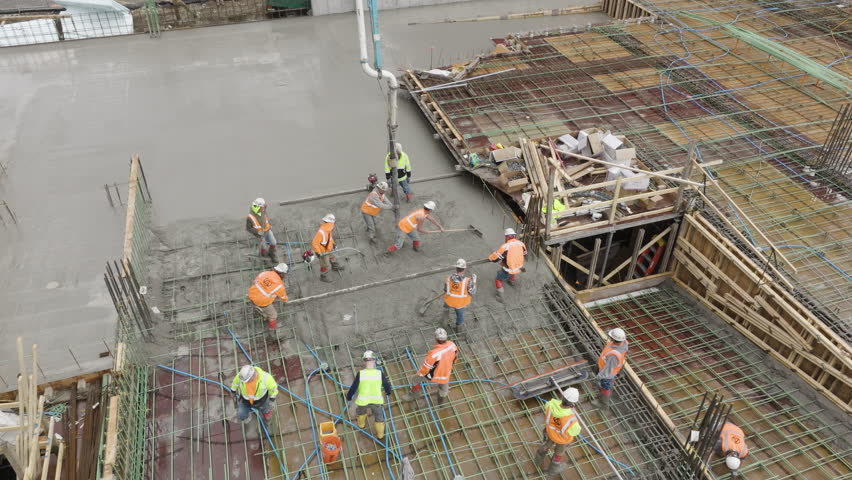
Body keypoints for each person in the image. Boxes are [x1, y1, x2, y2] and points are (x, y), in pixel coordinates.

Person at [403, 328, 458, 406]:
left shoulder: (434, 354)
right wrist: (451, 366)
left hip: (434, 375)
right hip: (446, 374)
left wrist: (420, 374)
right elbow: (456, 357)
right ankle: (441, 402)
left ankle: (415, 394)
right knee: (443, 388)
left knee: (415, 380)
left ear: (436, 338)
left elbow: (426, 368)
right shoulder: (452, 345)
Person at [345, 350, 393, 439]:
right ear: (374, 361)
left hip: (363, 401)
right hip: (376, 401)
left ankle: (361, 425)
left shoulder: (361, 374)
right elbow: (387, 385)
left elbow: (353, 387)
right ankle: (380, 434)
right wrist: (388, 391)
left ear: (364, 361)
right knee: (379, 417)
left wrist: (349, 396)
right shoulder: (379, 374)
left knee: (361, 412)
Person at [534, 387, 581, 475]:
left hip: (550, 433)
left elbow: (548, 410)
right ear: (572, 404)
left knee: (545, 445)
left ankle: (537, 460)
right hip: (562, 440)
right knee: (559, 453)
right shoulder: (571, 418)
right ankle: (553, 470)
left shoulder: (550, 404)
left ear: (562, 396)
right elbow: (575, 432)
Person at [488, 228, 527, 302]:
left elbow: (495, 259)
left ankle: (501, 297)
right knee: (512, 269)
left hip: (509, 269)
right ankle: (512, 281)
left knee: (498, 279)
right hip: (519, 267)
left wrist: (490, 257)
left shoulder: (506, 246)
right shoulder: (521, 244)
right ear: (514, 236)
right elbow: (525, 254)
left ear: (507, 237)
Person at [247, 263, 289, 330]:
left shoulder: (265, 273)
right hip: (261, 302)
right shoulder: (280, 286)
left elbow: (254, 281)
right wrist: (286, 300)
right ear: (282, 274)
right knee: (273, 315)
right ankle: (272, 330)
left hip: (251, 294)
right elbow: (284, 298)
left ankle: (259, 308)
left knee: (267, 295)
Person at [597, 328, 628, 406]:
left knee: (605, 387)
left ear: (613, 338)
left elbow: (607, 370)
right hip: (612, 371)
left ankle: (603, 403)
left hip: (607, 375)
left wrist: (599, 376)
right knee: (608, 382)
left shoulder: (613, 355)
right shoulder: (623, 343)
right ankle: (610, 384)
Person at [443, 258, 476, 332]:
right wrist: (474, 282)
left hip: (449, 301)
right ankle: (459, 330)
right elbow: (472, 292)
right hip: (460, 303)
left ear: (456, 268)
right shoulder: (468, 281)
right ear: (464, 269)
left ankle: (444, 323)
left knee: (445, 308)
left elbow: (445, 290)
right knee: (460, 316)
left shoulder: (448, 278)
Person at [312, 213, 345, 283]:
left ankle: (335, 266)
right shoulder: (321, 232)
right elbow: (314, 243)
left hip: (328, 249)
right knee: (325, 265)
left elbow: (330, 239)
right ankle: (323, 276)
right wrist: (318, 252)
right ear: (330, 223)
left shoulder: (328, 230)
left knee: (332, 258)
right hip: (323, 252)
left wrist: (333, 244)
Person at [246, 198, 278, 263]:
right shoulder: (250, 217)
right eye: (262, 207)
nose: (263, 208)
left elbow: (265, 211)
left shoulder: (262, 210)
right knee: (263, 246)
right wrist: (258, 233)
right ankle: (264, 255)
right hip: (260, 235)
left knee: (273, 242)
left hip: (267, 231)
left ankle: (272, 254)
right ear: (258, 207)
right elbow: (248, 228)